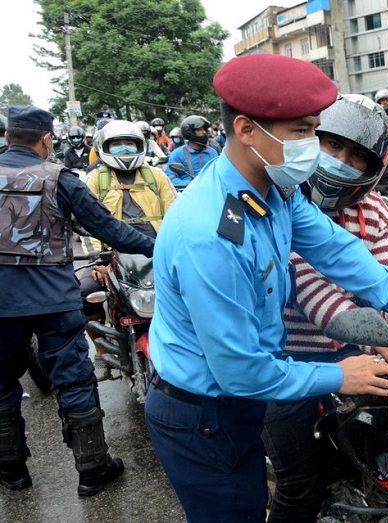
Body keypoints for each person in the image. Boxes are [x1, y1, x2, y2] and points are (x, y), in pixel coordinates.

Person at [143, 54, 388, 522]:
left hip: (240, 399)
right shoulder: (210, 235)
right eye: (301, 132)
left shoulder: (272, 190)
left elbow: (337, 250)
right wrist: (340, 375)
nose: (313, 147)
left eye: (314, 129)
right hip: (206, 413)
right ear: (247, 130)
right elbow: (241, 371)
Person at [262, 93, 388, 522]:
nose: (341, 161)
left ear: (373, 170)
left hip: (355, 349)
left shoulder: (376, 212)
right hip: (284, 360)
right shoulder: (279, 200)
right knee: (300, 490)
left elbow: (386, 283)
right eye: (332, 145)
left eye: (356, 156)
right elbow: (309, 289)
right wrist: (386, 342)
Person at [0, 105, 155, 496]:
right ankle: (93, 470)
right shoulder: (59, 178)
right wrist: (160, 246)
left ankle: (12, 472)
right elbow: (109, 229)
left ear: (7, 137)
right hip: (53, 300)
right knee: (74, 380)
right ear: (47, 139)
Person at [82, 120, 176, 381]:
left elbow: (175, 214)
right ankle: (101, 350)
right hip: (111, 255)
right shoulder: (95, 179)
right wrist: (96, 261)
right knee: (85, 292)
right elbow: (86, 221)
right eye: (116, 144)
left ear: (141, 146)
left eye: (129, 144)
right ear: (104, 147)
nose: (124, 149)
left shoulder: (156, 176)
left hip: (156, 252)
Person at [164, 114, 219, 185]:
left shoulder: (212, 152)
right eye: (199, 129)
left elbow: (219, 175)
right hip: (187, 192)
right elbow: (170, 177)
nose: (204, 132)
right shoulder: (177, 153)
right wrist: (189, 184)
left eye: (204, 129)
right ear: (189, 132)